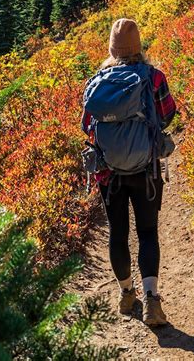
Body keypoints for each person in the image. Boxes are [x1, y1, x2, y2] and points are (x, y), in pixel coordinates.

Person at [82, 18, 176, 325]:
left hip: (109, 173)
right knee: (147, 232)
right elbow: (167, 114)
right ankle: (152, 301)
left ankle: (126, 293)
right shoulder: (153, 77)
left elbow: (87, 125)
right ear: (139, 47)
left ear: (111, 47)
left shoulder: (97, 80)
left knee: (118, 233)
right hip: (146, 168)